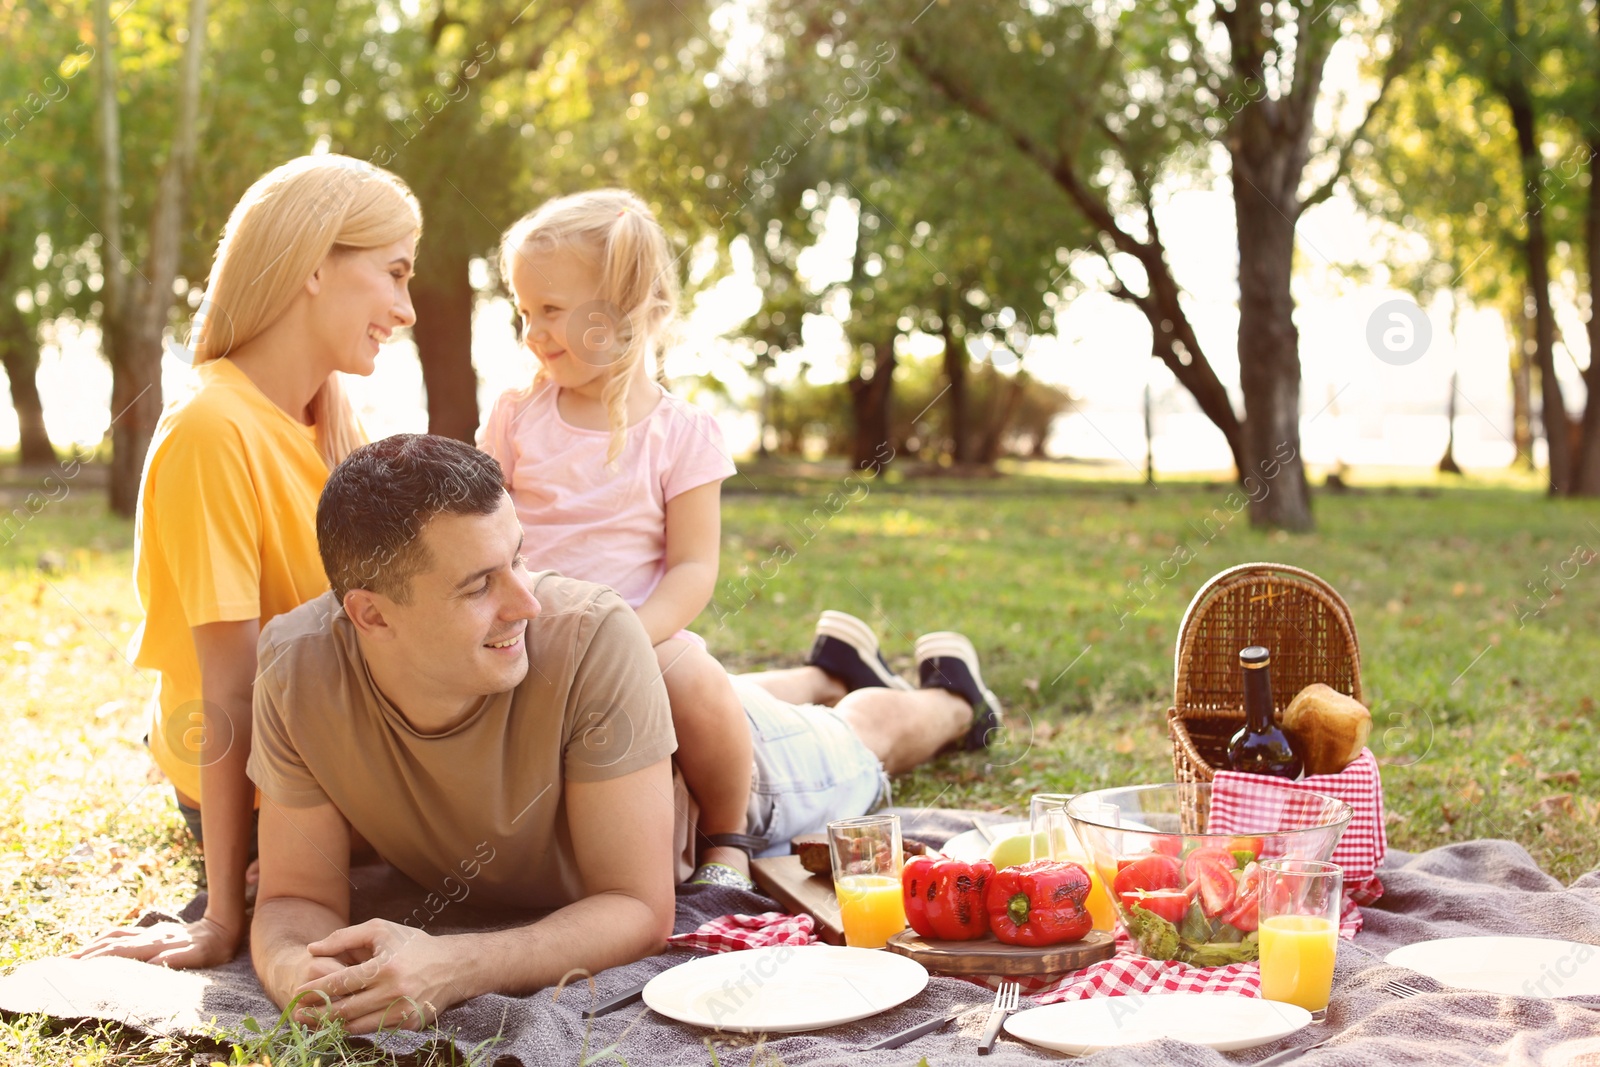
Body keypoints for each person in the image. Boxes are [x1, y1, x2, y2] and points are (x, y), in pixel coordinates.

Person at [248, 434, 1002, 1031]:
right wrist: (296, 971)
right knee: (716, 688)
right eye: (480, 584)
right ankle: (826, 667)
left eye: (518, 558)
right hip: (641, 714)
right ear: (371, 614)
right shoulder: (297, 669)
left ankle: (952, 699)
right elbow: (291, 896)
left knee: (857, 738)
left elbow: (640, 908)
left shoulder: (590, 635)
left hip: (735, 773)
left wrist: (453, 964)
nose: (525, 601)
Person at [73, 155, 421, 969]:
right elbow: (225, 692)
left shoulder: (332, 427)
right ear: (312, 266)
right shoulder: (212, 430)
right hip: (274, 790)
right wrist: (222, 913)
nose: (405, 308)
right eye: (395, 273)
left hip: (349, 764)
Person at [477, 189, 755, 878]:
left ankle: (728, 838)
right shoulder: (517, 417)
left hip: (637, 635)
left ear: (623, 311)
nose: (532, 333)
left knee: (698, 682)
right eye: (523, 311)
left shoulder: (681, 435)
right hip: (526, 631)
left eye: (551, 311)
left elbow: (693, 567)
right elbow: (475, 527)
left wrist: (635, 632)